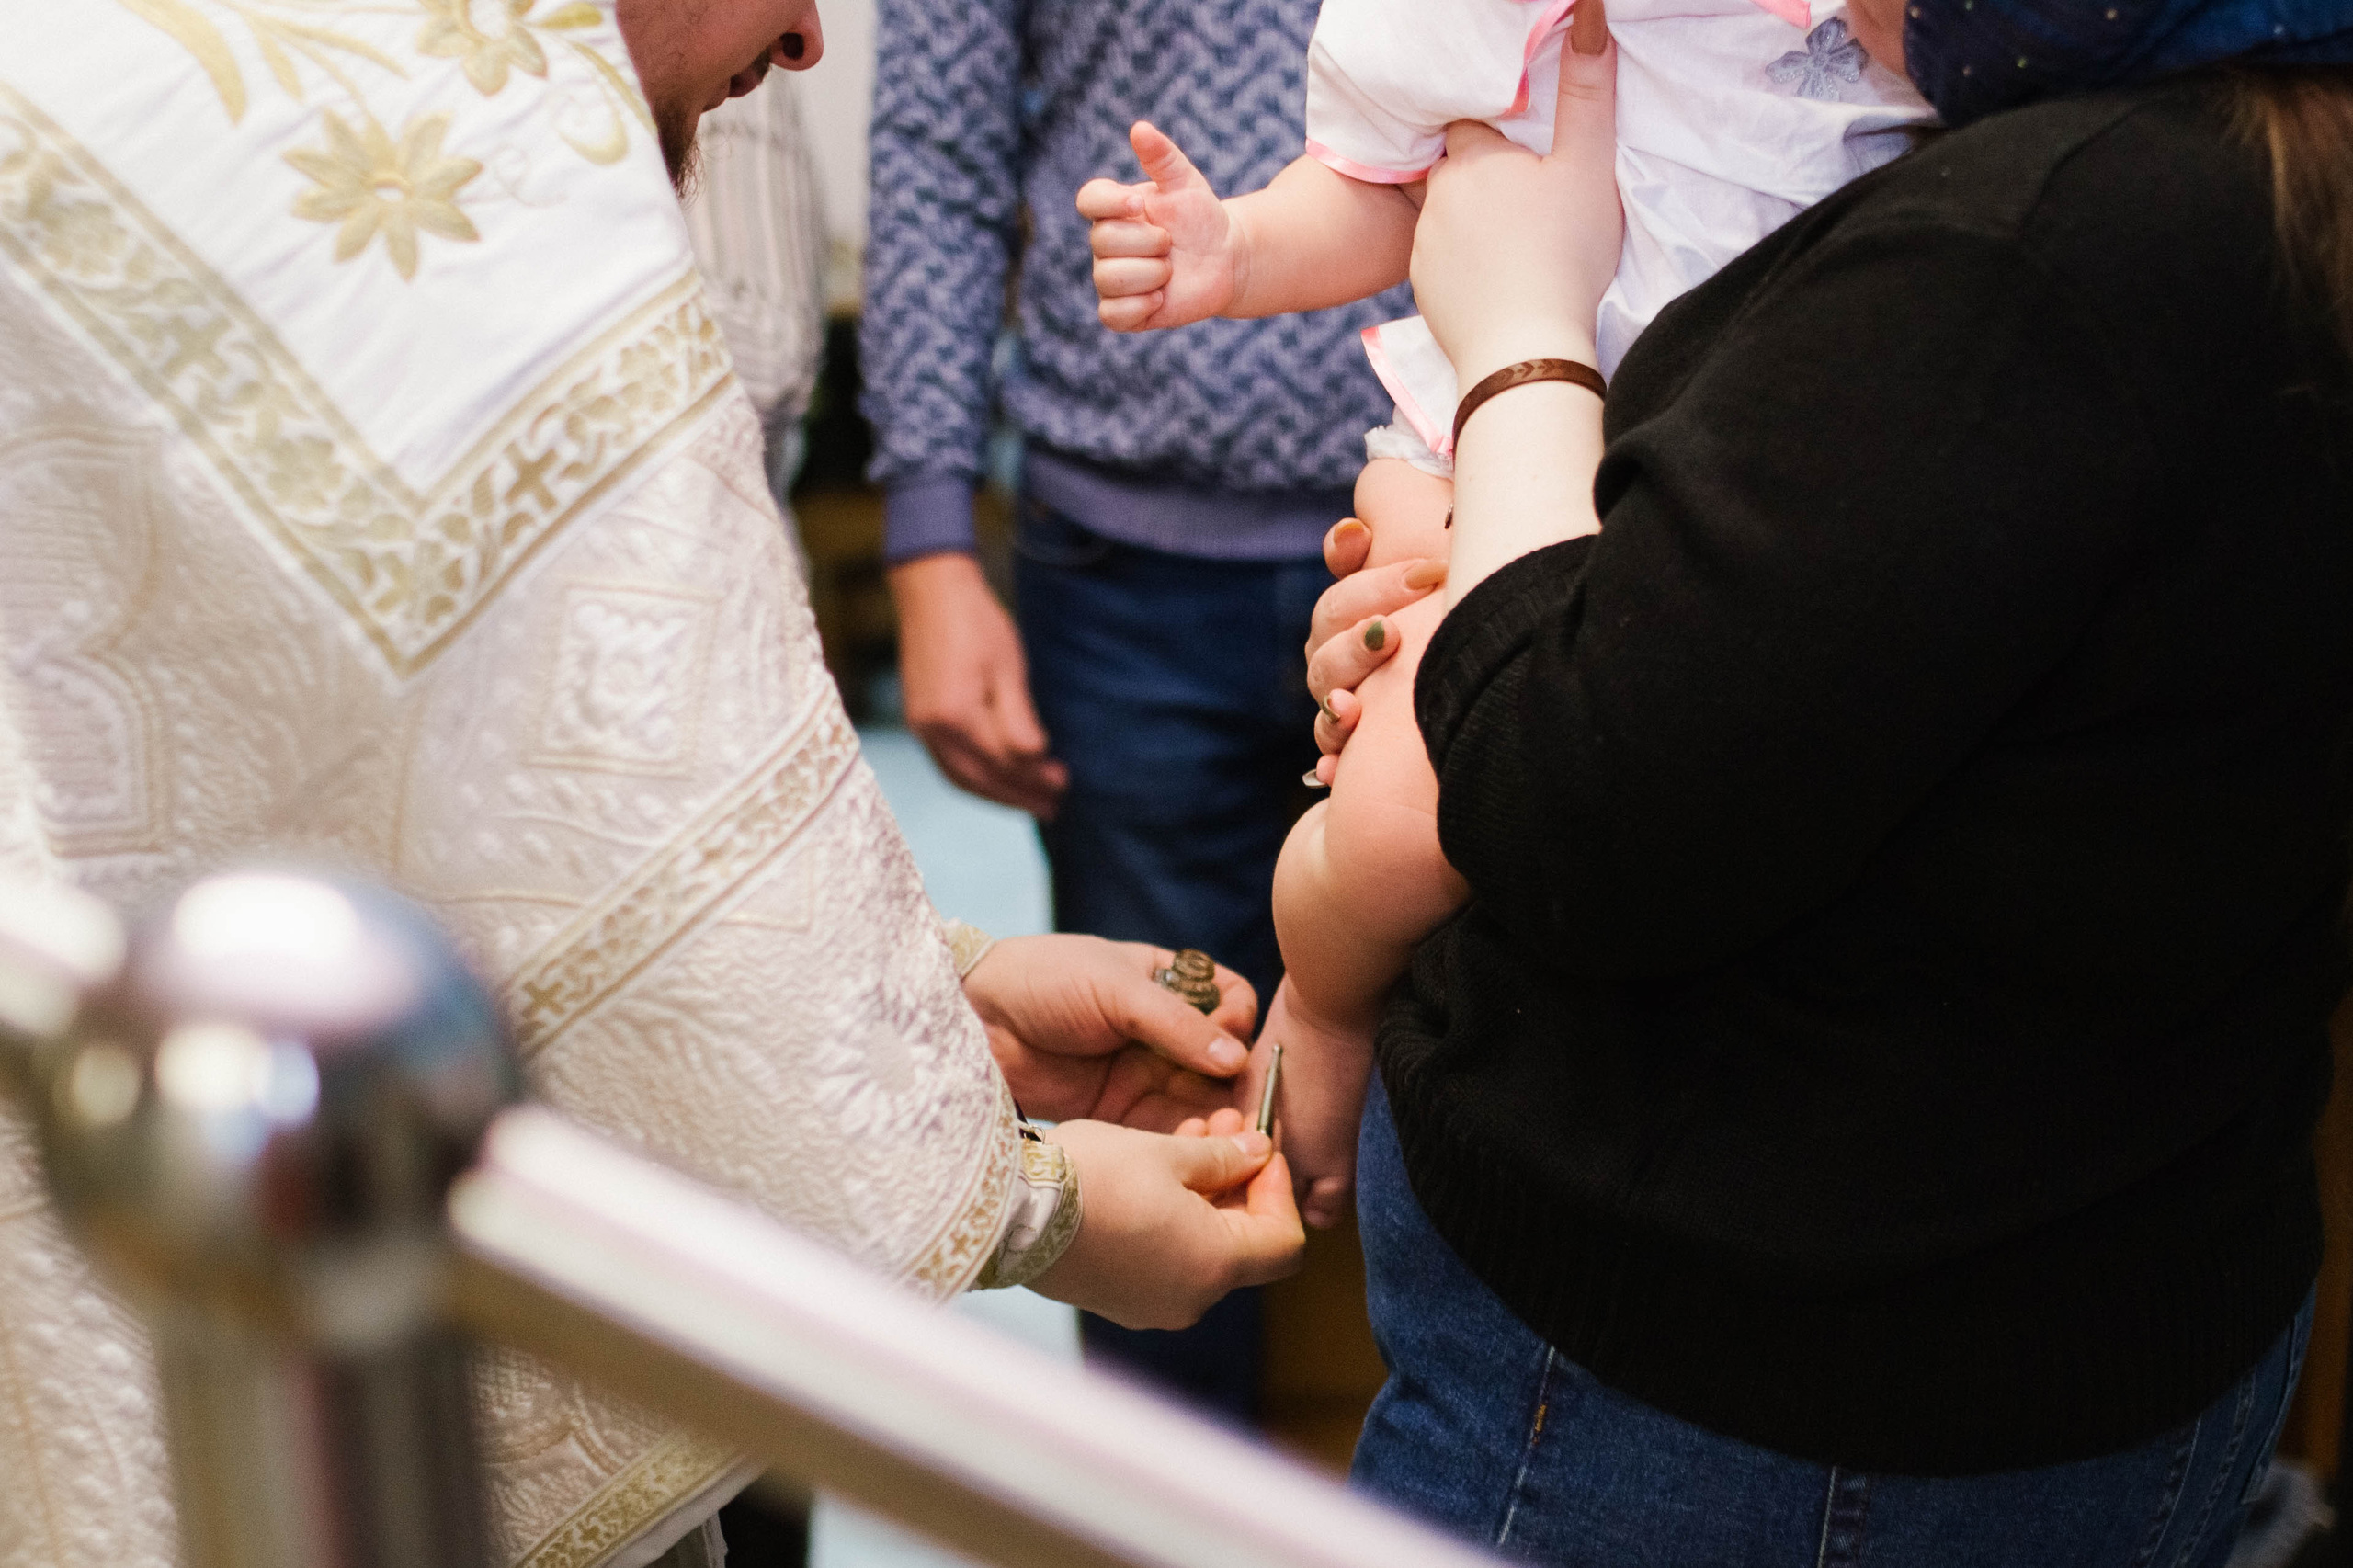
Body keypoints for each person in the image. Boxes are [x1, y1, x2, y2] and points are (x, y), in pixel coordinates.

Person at [0, 5, 1302, 1565]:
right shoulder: (470, 175)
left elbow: (455, 808)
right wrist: (1039, 1207)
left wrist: (941, 995)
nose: (809, 37)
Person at [1293, 0, 2353, 1559]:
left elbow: (1567, 803)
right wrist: (1483, 606)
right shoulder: (2258, 168)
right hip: (2103, 1292)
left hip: (1735, 1418)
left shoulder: (2030, 250)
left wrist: (1519, 337)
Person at [1079, 0, 1927, 1228]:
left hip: (1741, 470)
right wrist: (1241, 248)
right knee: (1406, 820)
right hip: (1479, 449)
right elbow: (1393, 181)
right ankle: (1323, 997)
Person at [859, 0, 1404, 1416]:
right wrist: (928, 538)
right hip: (1123, 579)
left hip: (1456, 540)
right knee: (1166, 1086)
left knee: (1486, 1093)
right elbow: (936, 147)